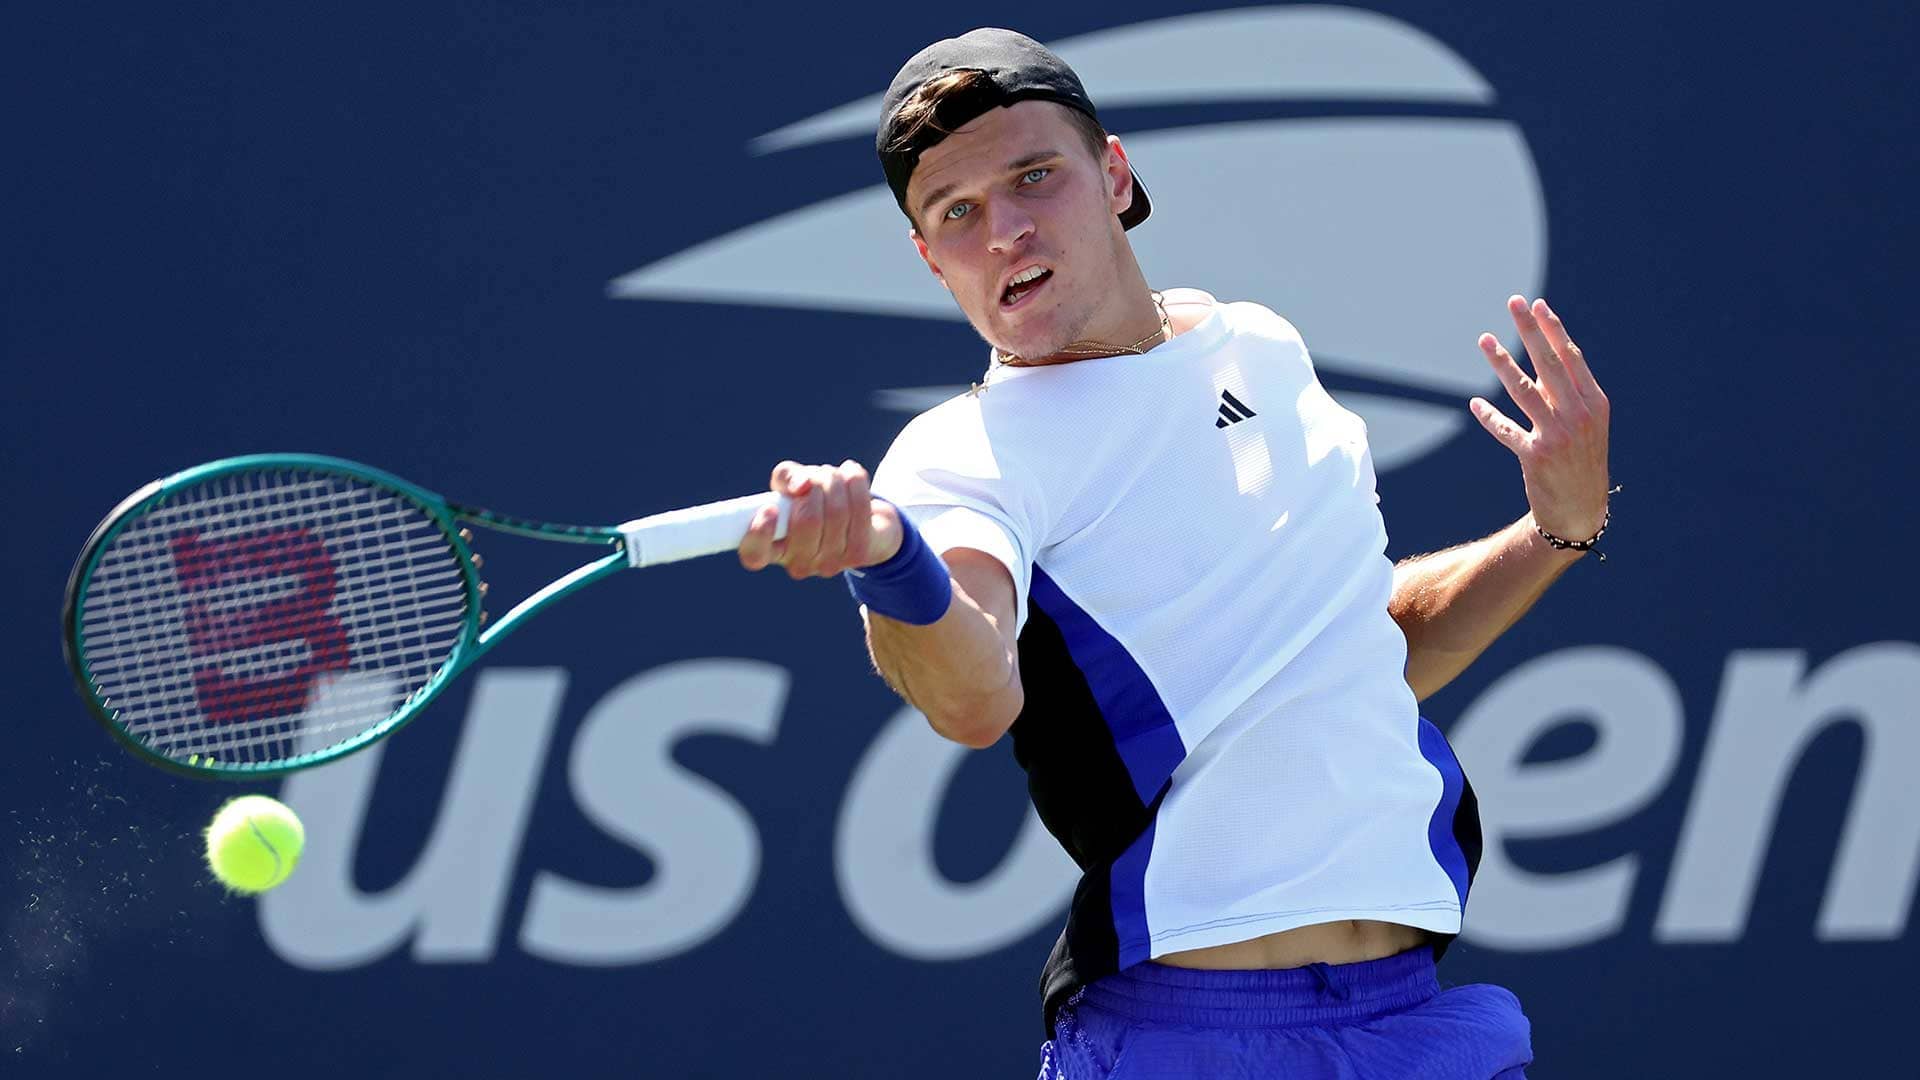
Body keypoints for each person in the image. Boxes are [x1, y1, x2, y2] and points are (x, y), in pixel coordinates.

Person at [736, 27, 1610, 1079]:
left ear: (1114, 171)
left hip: (1418, 1023)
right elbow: (971, 695)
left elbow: (1365, 649)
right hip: (1187, 1040)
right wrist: (886, 558)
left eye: (1034, 176)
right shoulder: (960, 457)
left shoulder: (1259, 349)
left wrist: (1559, 527)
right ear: (930, 257)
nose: (1005, 229)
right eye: (957, 212)